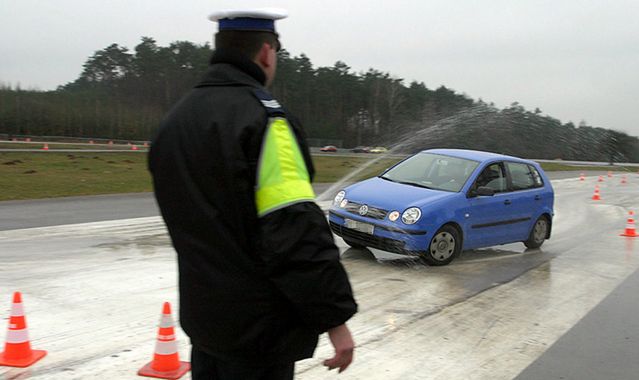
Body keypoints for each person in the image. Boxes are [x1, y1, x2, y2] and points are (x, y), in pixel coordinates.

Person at [148, 8, 357, 380]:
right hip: (259, 335)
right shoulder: (266, 122)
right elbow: (295, 231)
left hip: (205, 322)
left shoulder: (175, 120)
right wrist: (334, 318)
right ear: (265, 52)